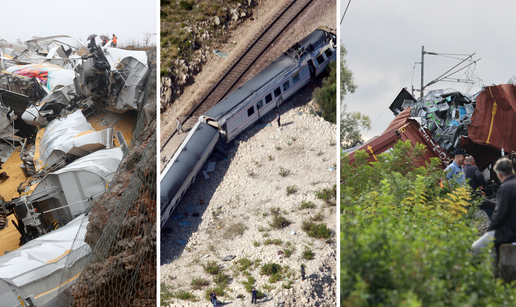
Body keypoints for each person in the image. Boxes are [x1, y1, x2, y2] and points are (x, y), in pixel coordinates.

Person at [472, 158, 516, 265]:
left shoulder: (505, 187)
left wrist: (489, 230)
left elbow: (499, 215)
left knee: (475, 247)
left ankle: (490, 275)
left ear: (499, 174)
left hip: (509, 231)